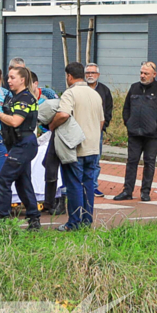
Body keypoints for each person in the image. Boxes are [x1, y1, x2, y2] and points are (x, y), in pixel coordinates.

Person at [0, 66, 41, 230]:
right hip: (17, 143)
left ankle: (2, 217)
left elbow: (16, 121)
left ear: (22, 80)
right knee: (23, 182)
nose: (8, 81)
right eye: (8, 77)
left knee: (3, 179)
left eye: (12, 77)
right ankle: (34, 218)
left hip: (24, 143)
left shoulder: (25, 99)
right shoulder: (12, 98)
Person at [50, 62, 104, 230]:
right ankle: (87, 221)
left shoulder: (70, 93)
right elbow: (101, 121)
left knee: (73, 185)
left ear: (69, 76)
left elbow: (64, 114)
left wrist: (52, 125)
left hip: (76, 147)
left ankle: (74, 223)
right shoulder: (95, 94)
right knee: (89, 184)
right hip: (93, 146)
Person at [115, 61, 157, 201]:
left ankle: (145, 192)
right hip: (134, 133)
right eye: (141, 73)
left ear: (154, 74)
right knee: (131, 162)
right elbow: (126, 108)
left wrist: (156, 126)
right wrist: (128, 122)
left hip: (152, 135)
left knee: (149, 162)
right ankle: (127, 191)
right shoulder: (134, 88)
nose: (142, 75)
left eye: (146, 73)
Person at [85, 63, 112, 198]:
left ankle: (93, 186)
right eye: (88, 73)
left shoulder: (104, 91)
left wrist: (103, 126)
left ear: (98, 75)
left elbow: (108, 110)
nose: (90, 75)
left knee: (95, 159)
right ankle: (81, 186)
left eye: (93, 73)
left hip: (97, 131)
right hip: (81, 131)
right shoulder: (81, 89)